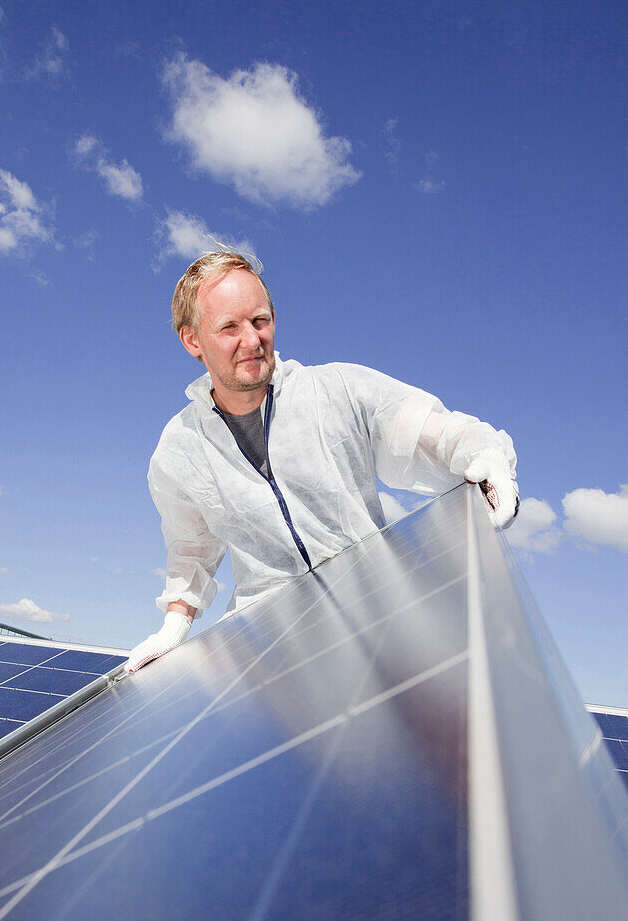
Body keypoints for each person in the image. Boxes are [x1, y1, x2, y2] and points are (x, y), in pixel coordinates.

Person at [125, 251, 519, 673]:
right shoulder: (180, 448)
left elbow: (432, 430)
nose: (253, 340)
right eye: (229, 327)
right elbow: (192, 546)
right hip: (274, 655)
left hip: (385, 627)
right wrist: (174, 625)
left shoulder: (338, 391)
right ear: (192, 340)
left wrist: (485, 453)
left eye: (260, 321)